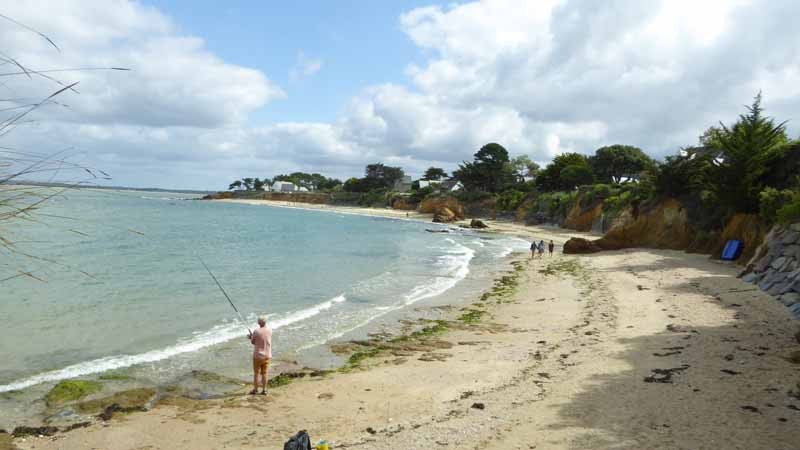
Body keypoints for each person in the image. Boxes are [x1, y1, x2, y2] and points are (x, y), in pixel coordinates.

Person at [248, 316, 272, 395]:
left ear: (259, 323)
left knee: (256, 373)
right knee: (264, 373)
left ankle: (255, 390)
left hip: (258, 356)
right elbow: (263, 339)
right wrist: (253, 337)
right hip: (267, 355)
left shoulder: (256, 331)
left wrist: (251, 337)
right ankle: (264, 390)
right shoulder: (270, 330)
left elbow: (253, 342)